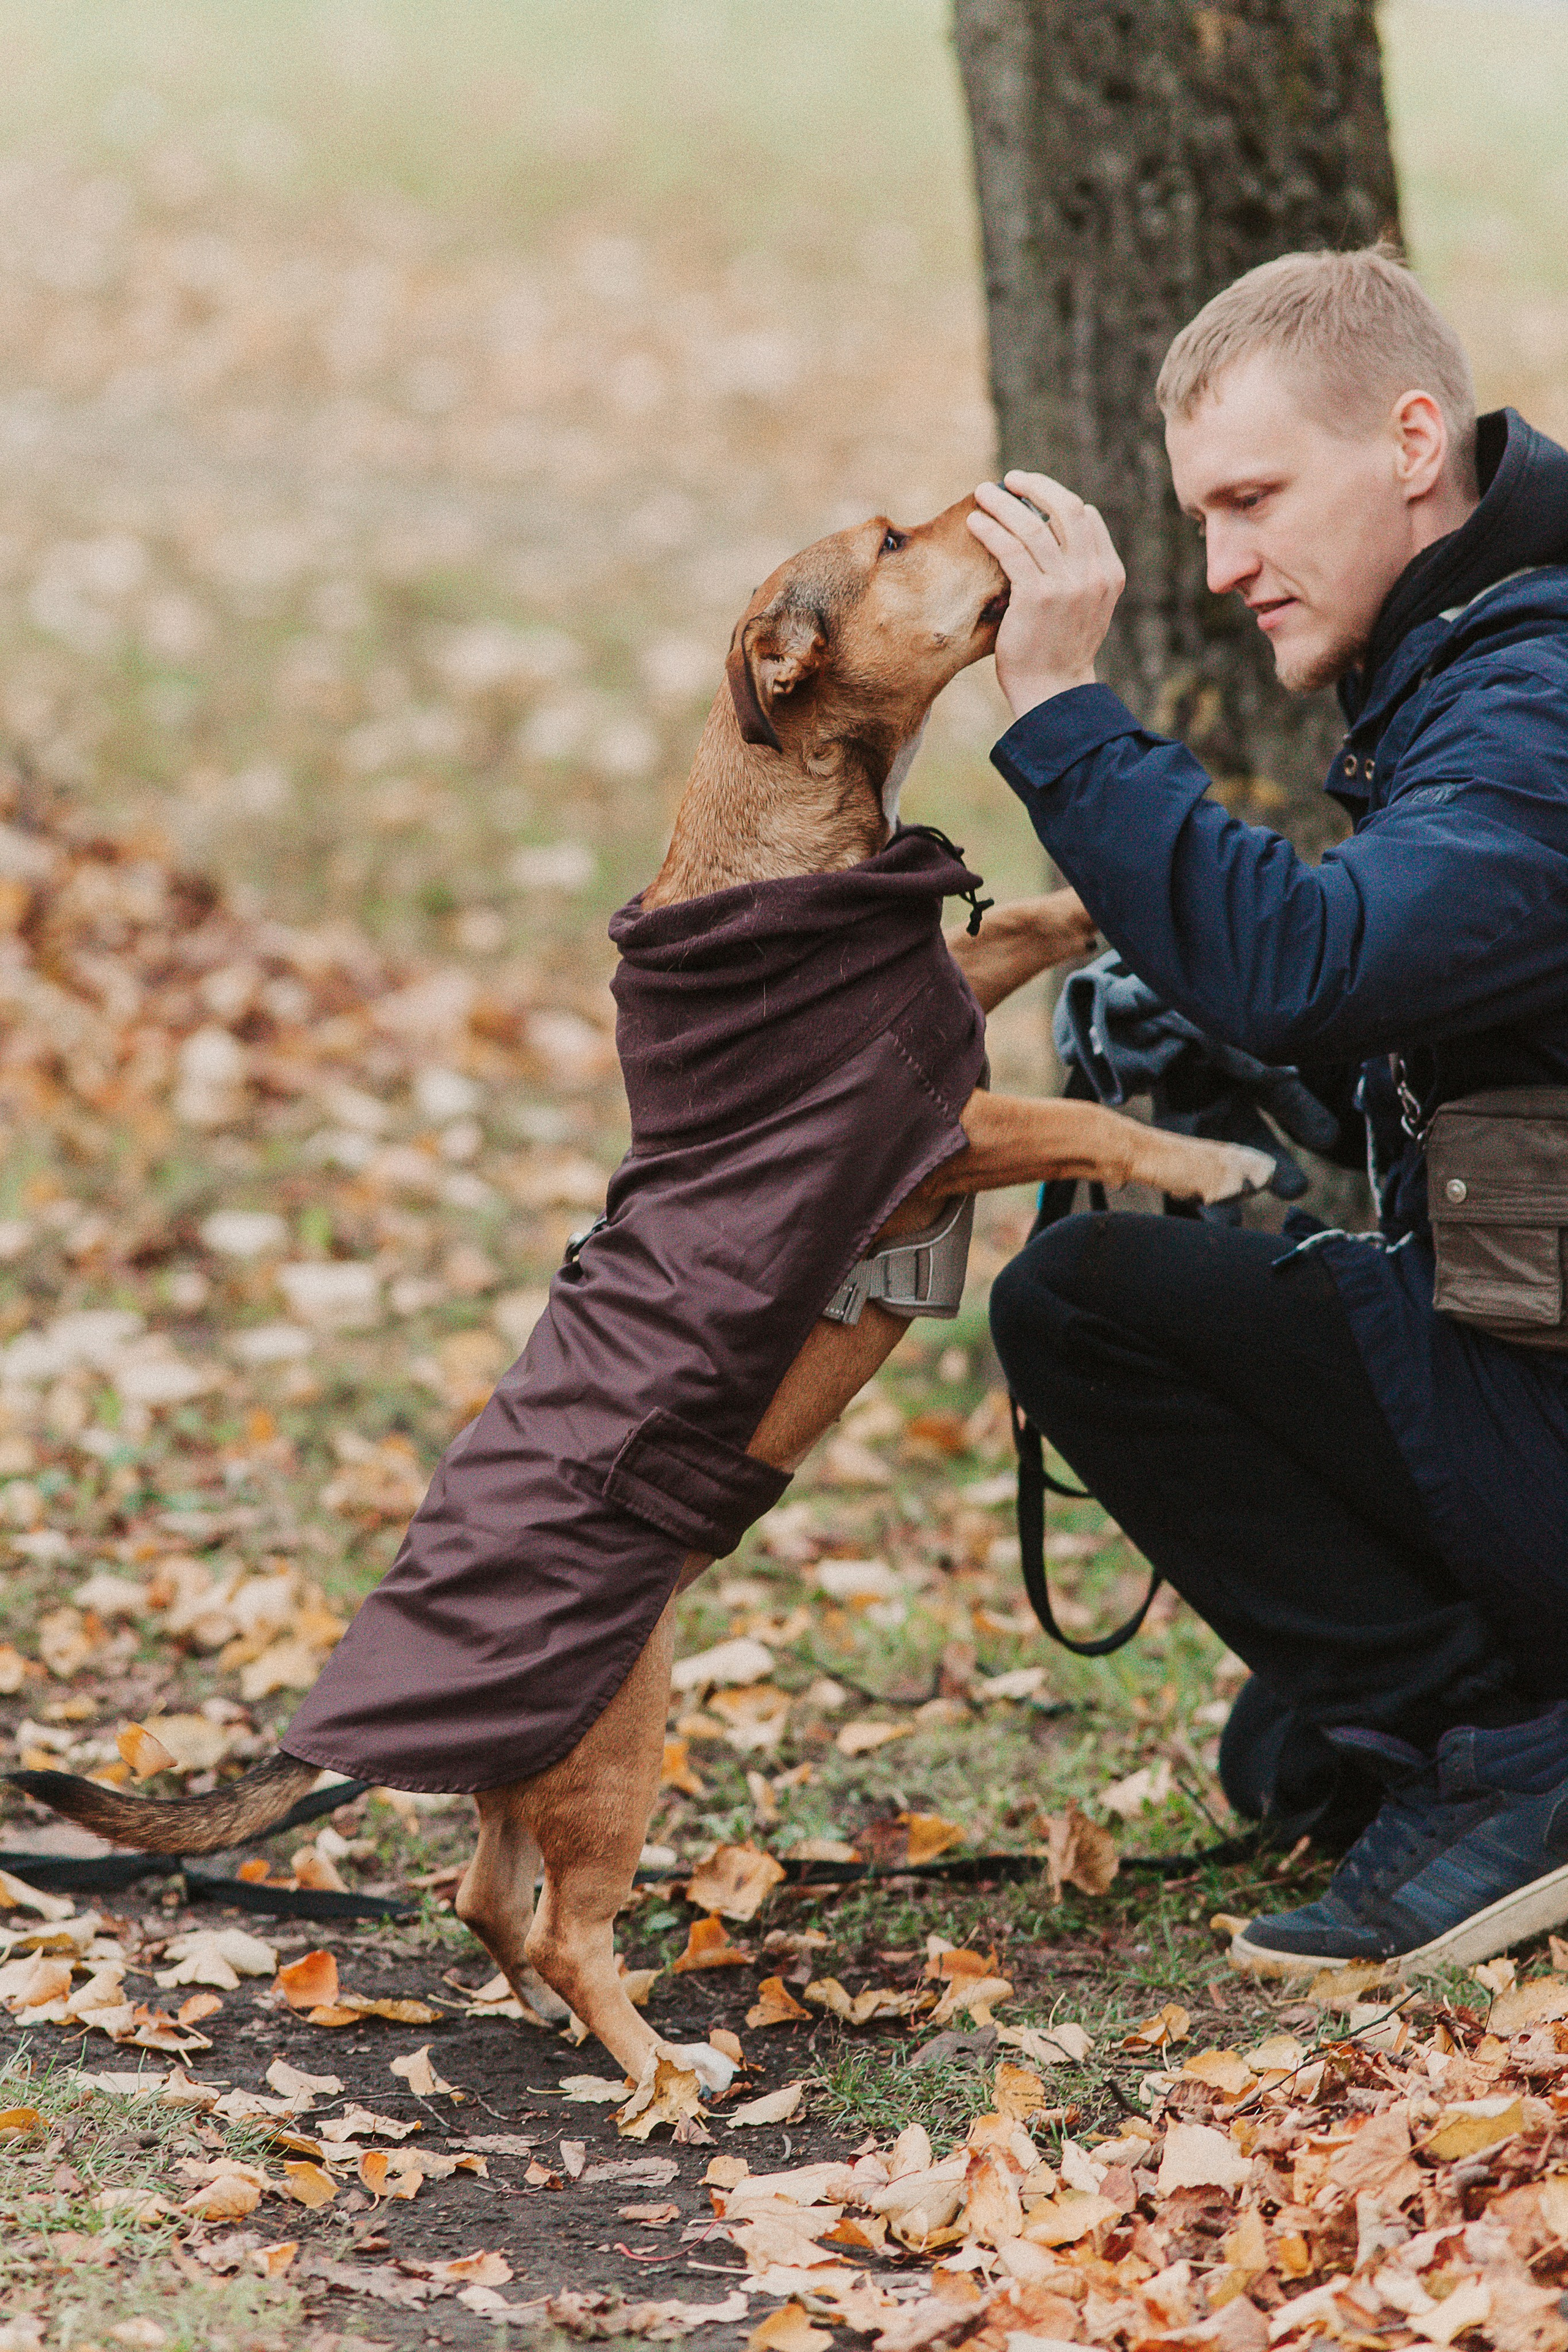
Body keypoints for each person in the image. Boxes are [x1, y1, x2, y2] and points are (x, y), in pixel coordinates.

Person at [967, 244, 1568, 1973]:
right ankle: (1479, 1731)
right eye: (1202, 516)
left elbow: (1307, 960)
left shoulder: (1534, 704)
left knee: (1084, 1302)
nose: (1224, 566)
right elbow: (1449, 1015)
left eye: (1253, 500)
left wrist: (1062, 707)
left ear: (1406, 440)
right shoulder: (1475, 648)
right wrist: (1241, 1051)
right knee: (1292, 1761)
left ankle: (1522, 1771)